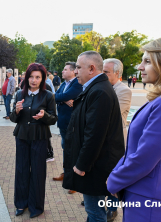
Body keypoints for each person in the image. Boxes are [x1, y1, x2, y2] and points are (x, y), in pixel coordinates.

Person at [62, 51, 125, 222]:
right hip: (94, 165)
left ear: (91, 68)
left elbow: (95, 135)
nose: (75, 72)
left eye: (79, 67)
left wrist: (82, 165)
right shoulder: (96, 88)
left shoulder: (99, 92)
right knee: (93, 211)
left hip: (94, 167)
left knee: (95, 213)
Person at [107, 38, 161, 222]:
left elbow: (144, 157)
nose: (139, 66)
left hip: (147, 197)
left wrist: (114, 180)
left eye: (147, 61)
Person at [10, 63, 57, 218]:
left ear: (42, 78)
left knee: (38, 171)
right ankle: (21, 204)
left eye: (37, 77)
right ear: (26, 77)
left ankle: (36, 206)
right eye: (31, 76)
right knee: (21, 170)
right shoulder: (19, 94)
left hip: (39, 137)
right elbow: (13, 118)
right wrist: (16, 111)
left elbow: (53, 119)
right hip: (22, 136)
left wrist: (44, 116)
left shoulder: (48, 95)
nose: (33, 80)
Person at [103, 58, 132, 221]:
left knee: (113, 174)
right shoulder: (102, 87)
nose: (103, 74)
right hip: (102, 140)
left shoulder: (123, 90)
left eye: (106, 72)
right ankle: (99, 200)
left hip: (115, 142)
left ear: (117, 73)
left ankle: (112, 209)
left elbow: (111, 115)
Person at [52, 62, 82, 193]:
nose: (62, 71)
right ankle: (66, 174)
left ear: (73, 71)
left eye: (65, 69)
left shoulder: (77, 84)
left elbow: (60, 96)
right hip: (63, 123)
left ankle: (74, 181)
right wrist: (64, 99)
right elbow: (55, 97)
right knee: (65, 149)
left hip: (73, 124)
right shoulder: (64, 84)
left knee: (73, 151)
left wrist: (62, 98)